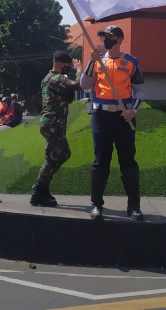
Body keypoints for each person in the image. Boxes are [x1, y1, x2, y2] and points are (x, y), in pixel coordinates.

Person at [79, 25, 145, 221]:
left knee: (128, 161)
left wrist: (133, 110)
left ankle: (134, 206)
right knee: (100, 160)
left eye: (110, 37)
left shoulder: (131, 62)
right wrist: (91, 62)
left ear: (120, 39)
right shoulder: (97, 60)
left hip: (124, 116)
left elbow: (140, 90)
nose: (105, 40)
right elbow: (84, 85)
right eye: (104, 37)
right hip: (101, 116)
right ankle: (96, 205)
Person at [30, 52, 82, 207]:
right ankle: (38, 190)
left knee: (60, 155)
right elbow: (78, 85)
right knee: (55, 157)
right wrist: (80, 70)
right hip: (53, 124)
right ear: (59, 62)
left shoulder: (47, 79)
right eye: (67, 65)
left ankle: (42, 189)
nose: (69, 68)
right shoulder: (56, 78)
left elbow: (66, 94)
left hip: (52, 124)